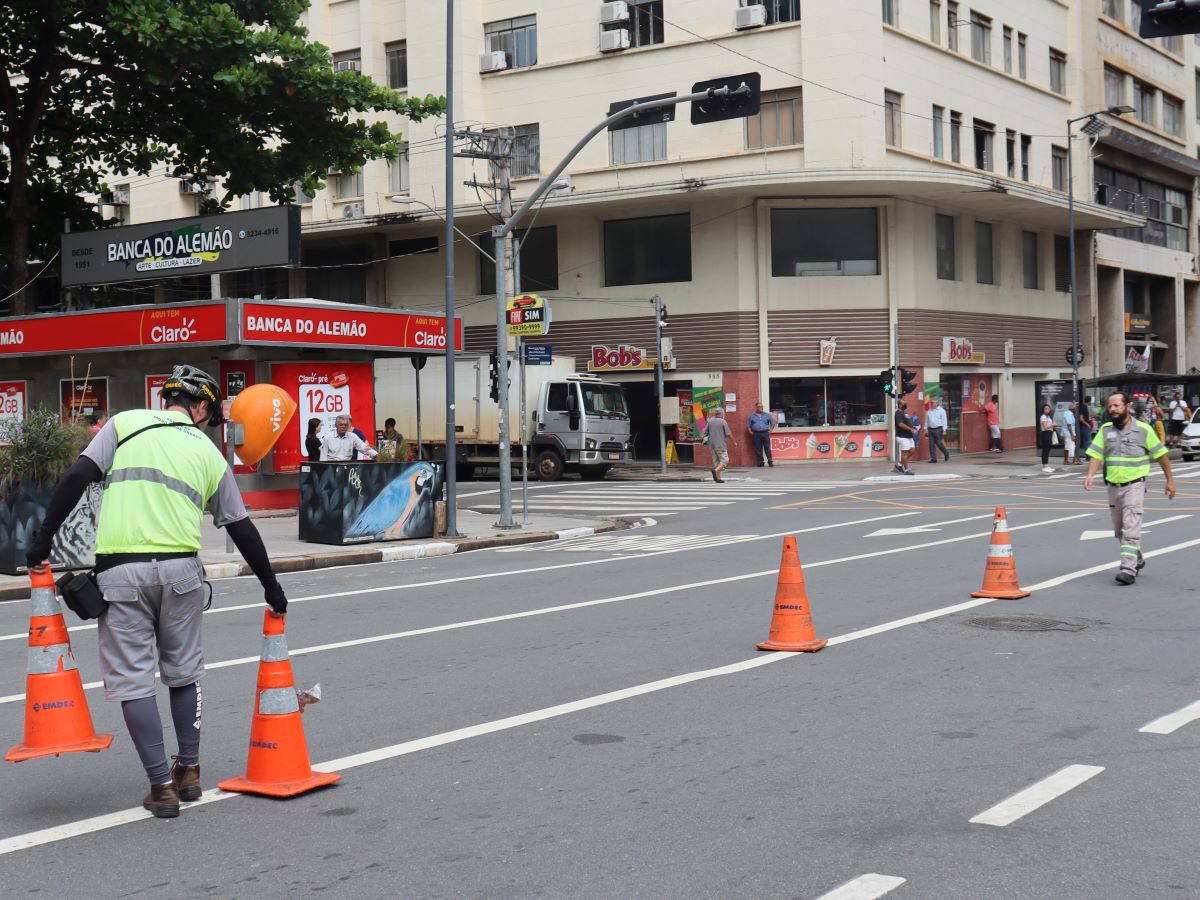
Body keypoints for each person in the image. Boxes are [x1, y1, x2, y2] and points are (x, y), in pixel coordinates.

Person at [25, 364, 288, 818]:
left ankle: (161, 787)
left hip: (121, 575)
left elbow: (75, 479)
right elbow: (240, 526)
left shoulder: (124, 424)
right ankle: (190, 771)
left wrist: (41, 540)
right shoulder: (208, 452)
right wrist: (271, 585)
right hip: (182, 574)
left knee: (133, 680)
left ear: (167, 398)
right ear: (201, 406)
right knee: (183, 674)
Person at [1084, 391, 1176, 585]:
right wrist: (1090, 475)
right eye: (1110, 406)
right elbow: (1096, 455)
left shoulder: (1143, 429)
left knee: (1131, 528)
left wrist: (1170, 480)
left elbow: (1161, 455)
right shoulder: (1105, 430)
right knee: (1119, 530)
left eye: (1117, 405)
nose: (1112, 409)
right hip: (1113, 487)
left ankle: (1128, 569)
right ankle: (1136, 557)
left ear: (1128, 406)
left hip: (1135, 485)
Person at [705, 407, 735, 483]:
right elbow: (729, 433)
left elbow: (704, 433)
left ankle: (718, 478)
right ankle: (715, 471)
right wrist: (734, 441)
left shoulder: (710, 421)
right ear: (722, 413)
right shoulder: (723, 422)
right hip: (720, 445)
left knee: (717, 462)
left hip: (712, 445)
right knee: (725, 460)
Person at [746, 402, 775, 467]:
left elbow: (773, 423)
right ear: (756, 407)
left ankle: (770, 461)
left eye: (761, 407)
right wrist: (750, 431)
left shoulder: (767, 415)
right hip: (756, 433)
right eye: (759, 407)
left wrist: (770, 430)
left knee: (767, 447)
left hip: (765, 433)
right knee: (758, 448)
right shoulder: (752, 416)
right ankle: (760, 462)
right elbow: (748, 425)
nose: (761, 408)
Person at [925, 397, 950, 463]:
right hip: (930, 429)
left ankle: (946, 453)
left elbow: (944, 421)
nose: (931, 404)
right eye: (931, 402)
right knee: (931, 444)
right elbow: (927, 420)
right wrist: (925, 428)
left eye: (932, 403)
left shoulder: (942, 411)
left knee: (939, 443)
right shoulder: (929, 410)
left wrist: (944, 430)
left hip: (938, 429)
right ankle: (933, 458)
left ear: (936, 403)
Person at [893, 404, 916, 475]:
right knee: (904, 453)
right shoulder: (898, 413)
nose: (905, 404)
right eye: (903, 403)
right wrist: (910, 429)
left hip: (909, 436)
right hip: (902, 436)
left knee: (912, 451)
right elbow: (900, 424)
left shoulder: (905, 412)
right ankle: (906, 470)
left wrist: (913, 428)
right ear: (899, 405)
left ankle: (899, 465)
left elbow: (908, 422)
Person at [1038, 403, 1056, 473]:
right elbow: (1045, 427)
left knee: (1048, 449)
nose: (1047, 410)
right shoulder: (1043, 417)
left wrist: (1054, 426)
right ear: (1043, 410)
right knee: (1045, 450)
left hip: (1049, 433)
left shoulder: (1048, 417)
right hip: (1045, 433)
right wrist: (1052, 425)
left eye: (1048, 408)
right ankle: (1044, 465)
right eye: (1045, 409)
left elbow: (1050, 426)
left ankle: (1047, 465)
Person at [1060, 401, 1079, 465]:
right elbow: (1069, 425)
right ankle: (1074, 459)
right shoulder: (1068, 414)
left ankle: (1066, 460)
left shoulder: (1069, 413)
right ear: (1072, 408)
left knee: (1067, 446)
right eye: (1075, 407)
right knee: (1071, 446)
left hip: (1068, 432)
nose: (1076, 408)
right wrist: (1072, 435)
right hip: (1068, 433)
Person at [1078, 396, 1095, 463]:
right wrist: (1087, 424)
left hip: (1084, 427)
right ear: (1089, 401)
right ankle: (1088, 456)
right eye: (1090, 401)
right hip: (1085, 427)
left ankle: (1088, 456)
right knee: (1087, 441)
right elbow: (1081, 418)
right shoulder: (1084, 407)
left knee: (1087, 441)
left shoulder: (1084, 407)